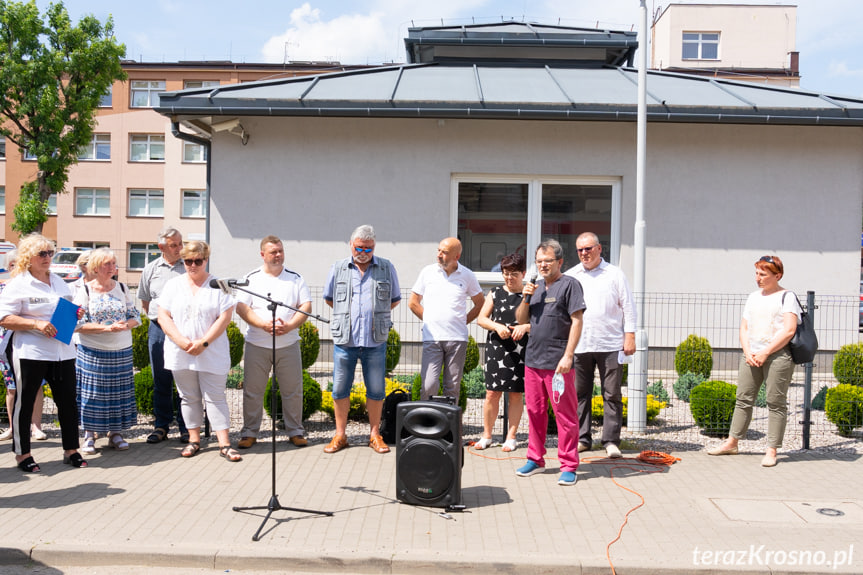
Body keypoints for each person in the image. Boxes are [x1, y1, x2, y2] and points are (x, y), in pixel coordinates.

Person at [0, 233, 88, 471]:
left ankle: (71, 450)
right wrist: (35, 324)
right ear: (28, 257)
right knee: (25, 403)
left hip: (63, 351)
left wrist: (75, 314)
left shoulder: (59, 281)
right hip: (32, 352)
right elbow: (5, 318)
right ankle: (22, 454)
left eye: (50, 253)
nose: (48, 258)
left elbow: (66, 309)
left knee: (68, 402)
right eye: (42, 254)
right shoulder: (18, 284)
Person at [708, 255, 800, 468]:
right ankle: (732, 443)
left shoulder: (787, 297)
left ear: (777, 275)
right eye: (757, 273)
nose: (758, 278)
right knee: (743, 399)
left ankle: (771, 450)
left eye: (763, 274)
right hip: (752, 354)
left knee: (775, 402)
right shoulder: (753, 297)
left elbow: (789, 330)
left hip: (778, 355)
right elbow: (744, 328)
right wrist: (748, 352)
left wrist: (766, 352)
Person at [157, 241, 241, 462]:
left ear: (206, 260)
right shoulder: (173, 285)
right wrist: (182, 342)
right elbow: (163, 315)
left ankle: (224, 444)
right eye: (187, 261)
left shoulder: (221, 285)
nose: (192, 265)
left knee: (216, 397)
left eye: (197, 261)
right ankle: (194, 440)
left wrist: (203, 343)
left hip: (211, 351)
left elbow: (225, 317)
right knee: (188, 397)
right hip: (180, 350)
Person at [322, 225, 401, 454]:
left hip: (375, 340)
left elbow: (394, 300)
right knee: (339, 389)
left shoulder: (386, 267)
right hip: (345, 340)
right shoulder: (338, 268)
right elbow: (330, 299)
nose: (364, 252)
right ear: (351, 245)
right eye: (359, 247)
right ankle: (340, 435)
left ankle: (375, 434)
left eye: (369, 248)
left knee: (376, 390)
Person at [515, 239, 585, 486]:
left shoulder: (570, 285)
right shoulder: (535, 288)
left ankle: (568, 465)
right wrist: (525, 297)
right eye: (539, 261)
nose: (543, 265)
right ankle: (535, 459)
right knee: (534, 412)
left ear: (560, 262)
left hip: (558, 365)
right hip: (533, 361)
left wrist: (568, 355)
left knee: (564, 415)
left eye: (548, 261)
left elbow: (577, 321)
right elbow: (521, 319)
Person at [235, 235, 311, 450]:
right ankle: (249, 432)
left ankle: (295, 431)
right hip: (257, 344)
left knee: (293, 390)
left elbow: (306, 306)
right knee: (253, 390)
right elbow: (242, 307)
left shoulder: (295, 278)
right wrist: (262, 324)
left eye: (280, 251)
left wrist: (290, 326)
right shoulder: (250, 278)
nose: (278, 255)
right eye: (273, 252)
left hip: (288, 343)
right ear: (262, 254)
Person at [565, 232, 636, 459]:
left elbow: (628, 306)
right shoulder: (571, 275)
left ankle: (611, 441)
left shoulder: (615, 274)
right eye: (580, 250)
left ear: (599, 249)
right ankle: (582, 439)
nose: (584, 253)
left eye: (588, 248)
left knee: (612, 394)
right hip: (580, 345)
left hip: (611, 344)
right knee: (579, 395)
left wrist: (630, 335)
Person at [73, 248, 140, 454]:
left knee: (118, 394)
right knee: (93, 394)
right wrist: (105, 328)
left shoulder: (121, 287)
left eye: (114, 263)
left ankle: (116, 433)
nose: (112, 268)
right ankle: (89, 435)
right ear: (95, 267)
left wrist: (126, 324)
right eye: (107, 264)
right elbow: (77, 324)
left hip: (121, 349)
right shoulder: (85, 290)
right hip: (92, 350)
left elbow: (135, 315)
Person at [409, 237, 484, 401]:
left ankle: (451, 425)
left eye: (444, 252)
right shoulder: (427, 272)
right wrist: (429, 320)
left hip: (457, 339)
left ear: (456, 256)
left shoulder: (467, 275)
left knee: (452, 388)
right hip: (432, 338)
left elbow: (480, 304)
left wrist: (462, 321)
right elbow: (413, 303)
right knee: (429, 385)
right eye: (439, 250)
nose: (439, 255)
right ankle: (427, 422)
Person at [138, 227, 188, 444]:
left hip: (183, 329)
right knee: (161, 379)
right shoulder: (150, 270)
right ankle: (162, 426)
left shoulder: (189, 266)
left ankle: (187, 427)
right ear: (161, 247)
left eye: (180, 243)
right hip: (158, 330)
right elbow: (146, 302)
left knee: (184, 379)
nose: (179, 248)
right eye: (174, 245)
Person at [475, 252, 529, 452]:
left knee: (516, 394)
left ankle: (511, 436)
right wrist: (497, 327)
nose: (509, 277)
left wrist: (526, 327)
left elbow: (541, 323)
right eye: (505, 273)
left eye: (513, 273)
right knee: (491, 393)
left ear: (523, 273)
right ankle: (487, 435)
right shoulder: (495, 293)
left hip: (521, 350)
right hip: (497, 348)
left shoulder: (529, 294)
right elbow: (481, 319)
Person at [1, 249, 48, 443]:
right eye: (13, 265)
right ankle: (14, 428)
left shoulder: (36, 287)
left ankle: (35, 426)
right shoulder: (3, 287)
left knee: (36, 385)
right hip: (6, 343)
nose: (17, 269)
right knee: (11, 387)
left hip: (33, 341)